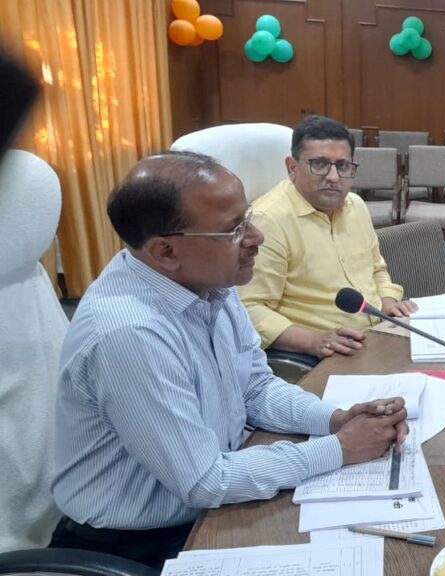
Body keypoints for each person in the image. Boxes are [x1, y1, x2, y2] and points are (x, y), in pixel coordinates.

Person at [50, 151, 409, 568]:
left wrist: (335, 420)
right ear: (166, 251)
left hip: (213, 507)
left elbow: (255, 388)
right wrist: (341, 448)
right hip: (139, 544)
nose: (257, 237)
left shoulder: (210, 283)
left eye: (248, 218)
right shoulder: (130, 333)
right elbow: (205, 480)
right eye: (235, 230)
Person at [239, 115, 416, 360]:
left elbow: (376, 268)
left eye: (343, 166)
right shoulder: (268, 221)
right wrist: (313, 340)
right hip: (324, 354)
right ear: (292, 168)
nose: (333, 176)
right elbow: (249, 308)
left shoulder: (356, 205)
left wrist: (387, 300)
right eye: (320, 164)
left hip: (379, 334)